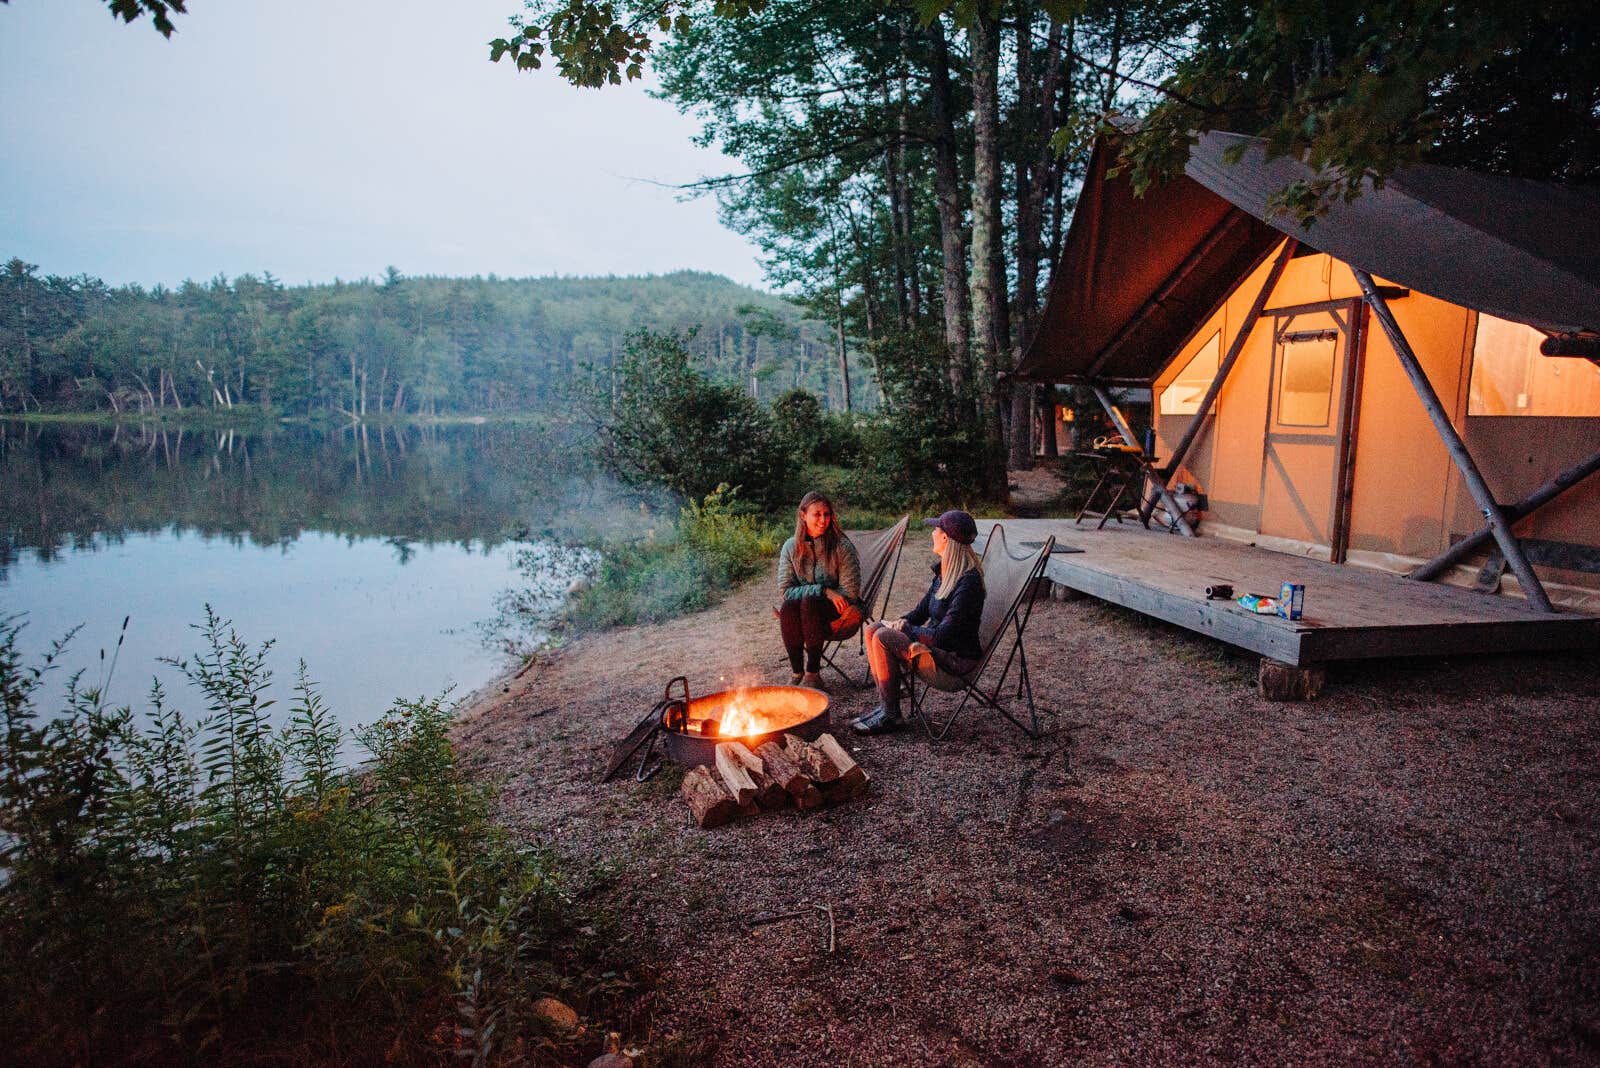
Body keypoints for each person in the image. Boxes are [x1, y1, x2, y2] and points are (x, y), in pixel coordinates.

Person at [853, 509, 985, 734]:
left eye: (936, 529)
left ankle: (892, 716)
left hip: (954, 661)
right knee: (873, 628)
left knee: (883, 637)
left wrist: (905, 629)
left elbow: (944, 635)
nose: (932, 533)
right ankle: (887, 706)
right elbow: (920, 612)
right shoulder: (945, 574)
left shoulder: (968, 584)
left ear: (946, 538)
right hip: (938, 648)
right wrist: (900, 621)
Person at [775, 491, 863, 689]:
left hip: (840, 609)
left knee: (809, 601)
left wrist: (826, 595)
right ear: (803, 515)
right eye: (817, 514)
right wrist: (822, 590)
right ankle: (797, 672)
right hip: (805, 609)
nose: (823, 520)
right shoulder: (791, 547)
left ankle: (813, 673)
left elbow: (850, 592)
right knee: (789, 605)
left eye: (827, 514)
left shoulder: (842, 546)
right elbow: (786, 590)